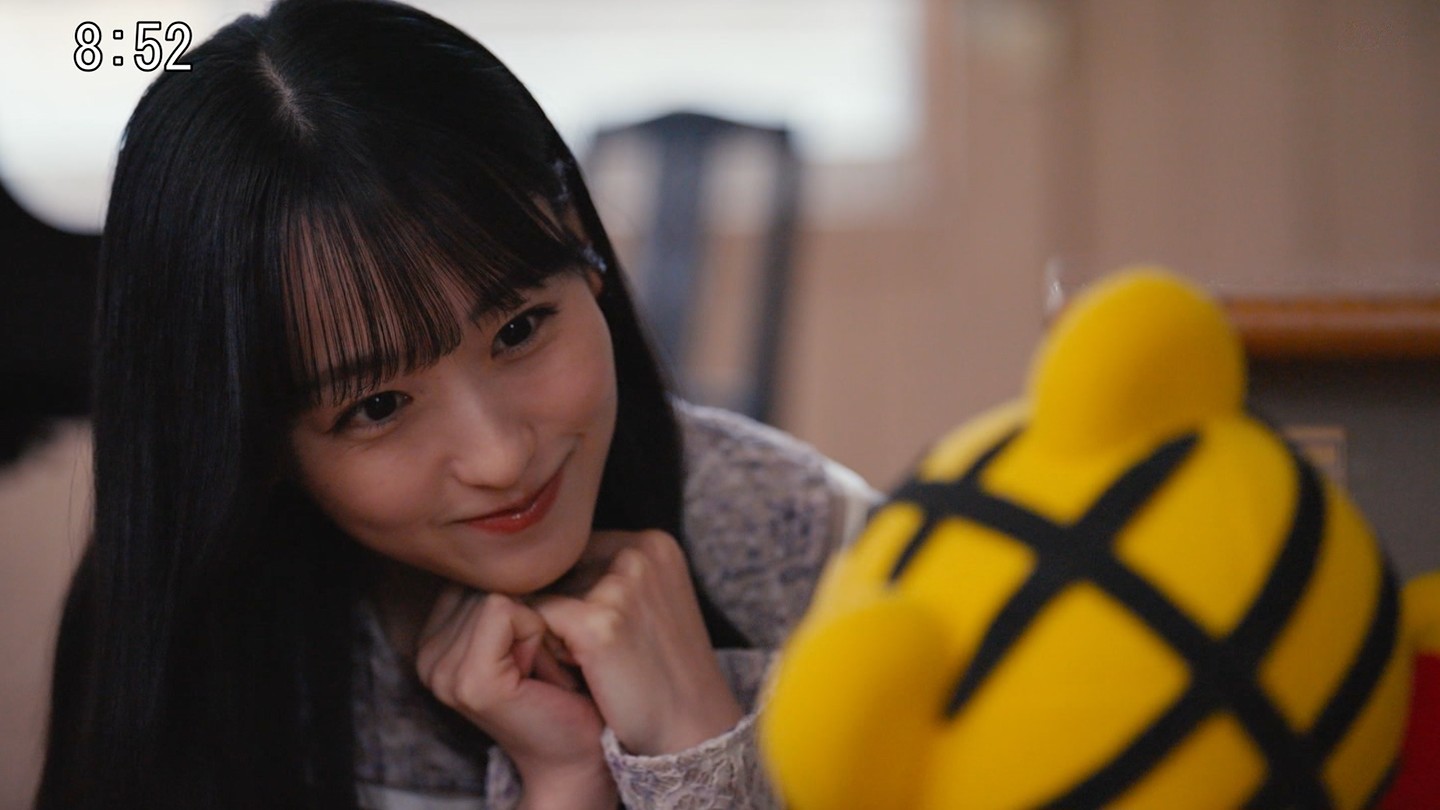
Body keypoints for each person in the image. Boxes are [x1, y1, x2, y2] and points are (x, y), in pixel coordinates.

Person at [35, 0, 877, 808]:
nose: (500, 457)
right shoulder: (173, 654)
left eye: (519, 329)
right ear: (254, 439)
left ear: (584, 248)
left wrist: (697, 745)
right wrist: (564, 785)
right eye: (377, 405)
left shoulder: (827, 558)